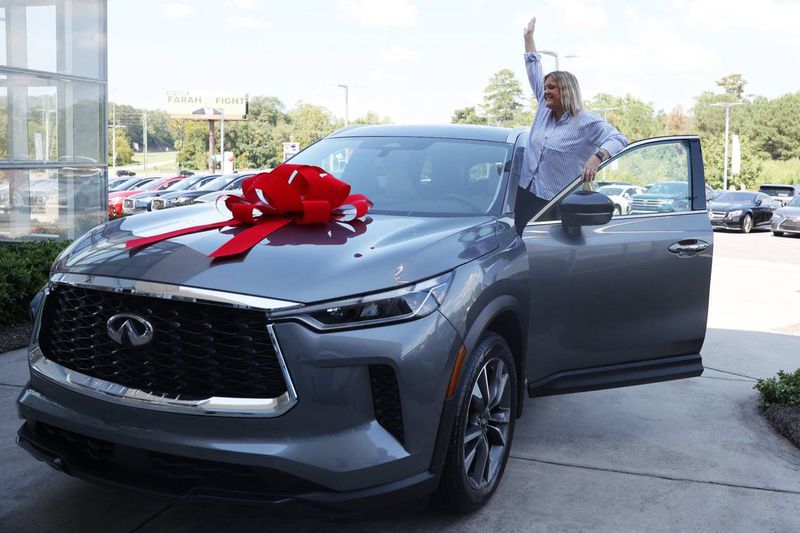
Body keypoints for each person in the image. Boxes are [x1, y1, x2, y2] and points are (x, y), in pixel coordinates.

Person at [515, 16, 628, 233]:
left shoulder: (585, 121)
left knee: (547, 256)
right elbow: (533, 67)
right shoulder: (543, 108)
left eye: (551, 88)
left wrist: (597, 158)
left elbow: (619, 139)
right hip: (527, 194)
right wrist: (528, 38)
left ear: (566, 91)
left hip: (556, 203)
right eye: (545, 87)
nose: (545, 91)